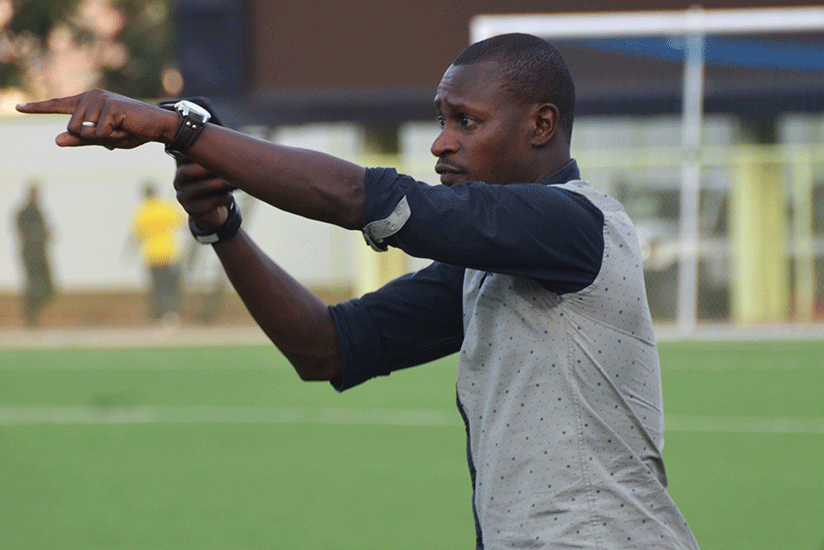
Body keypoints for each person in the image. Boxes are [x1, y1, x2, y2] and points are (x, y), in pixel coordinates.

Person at [17, 33, 699, 549]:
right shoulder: (486, 271)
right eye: (442, 118)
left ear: (541, 126)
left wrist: (182, 129)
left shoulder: (576, 223)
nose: (441, 143)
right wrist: (221, 226)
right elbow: (327, 348)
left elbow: (366, 197)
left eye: (467, 121)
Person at [128, 182, 185, 325]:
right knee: (170, 286)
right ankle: (171, 315)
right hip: (169, 254)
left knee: (158, 288)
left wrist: (129, 253)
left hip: (152, 256)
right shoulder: (165, 208)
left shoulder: (141, 212)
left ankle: (159, 316)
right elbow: (182, 222)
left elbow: (137, 236)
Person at [13, 182, 55, 327]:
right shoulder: (24, 212)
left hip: (40, 253)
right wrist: (38, 236)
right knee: (34, 285)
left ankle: (34, 314)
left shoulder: (38, 211)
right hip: (30, 254)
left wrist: (45, 236)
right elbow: (22, 233)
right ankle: (30, 317)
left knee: (47, 286)